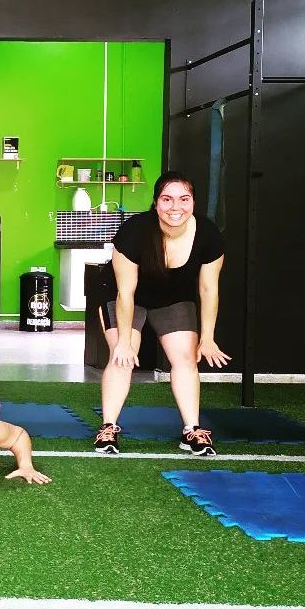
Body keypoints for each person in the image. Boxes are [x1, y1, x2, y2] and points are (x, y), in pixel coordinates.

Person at [95, 171, 230, 456]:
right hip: (125, 296)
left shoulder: (208, 235)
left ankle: (192, 430)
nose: (175, 207)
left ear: (193, 202)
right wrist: (123, 341)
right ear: (156, 203)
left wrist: (207, 338)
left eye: (184, 199)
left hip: (173, 298)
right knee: (122, 356)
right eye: (167, 199)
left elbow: (209, 290)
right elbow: (125, 293)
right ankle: (108, 428)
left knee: (185, 358)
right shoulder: (134, 232)